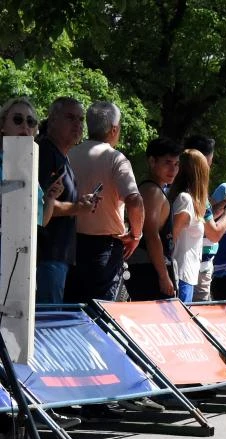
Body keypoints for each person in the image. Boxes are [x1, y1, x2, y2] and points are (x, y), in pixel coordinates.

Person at [66, 101, 144, 303]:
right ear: (114, 129)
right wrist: (136, 234)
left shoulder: (68, 155)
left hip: (70, 245)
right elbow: (134, 200)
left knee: (73, 307)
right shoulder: (116, 159)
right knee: (102, 313)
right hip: (104, 250)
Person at [34, 97, 93, 304]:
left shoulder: (62, 155)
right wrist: (77, 207)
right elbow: (37, 205)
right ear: (52, 119)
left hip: (57, 256)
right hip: (46, 256)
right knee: (47, 324)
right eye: (70, 118)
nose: (77, 124)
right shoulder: (44, 152)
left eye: (81, 119)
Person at [170, 149, 226, 302]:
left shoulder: (191, 200)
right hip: (180, 275)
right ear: (200, 173)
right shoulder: (186, 200)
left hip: (187, 275)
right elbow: (171, 239)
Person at [128, 136, 181, 300]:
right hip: (148, 268)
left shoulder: (155, 189)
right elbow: (151, 235)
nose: (173, 169)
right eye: (167, 162)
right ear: (152, 162)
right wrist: (164, 276)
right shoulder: (152, 191)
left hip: (150, 266)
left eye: (176, 164)